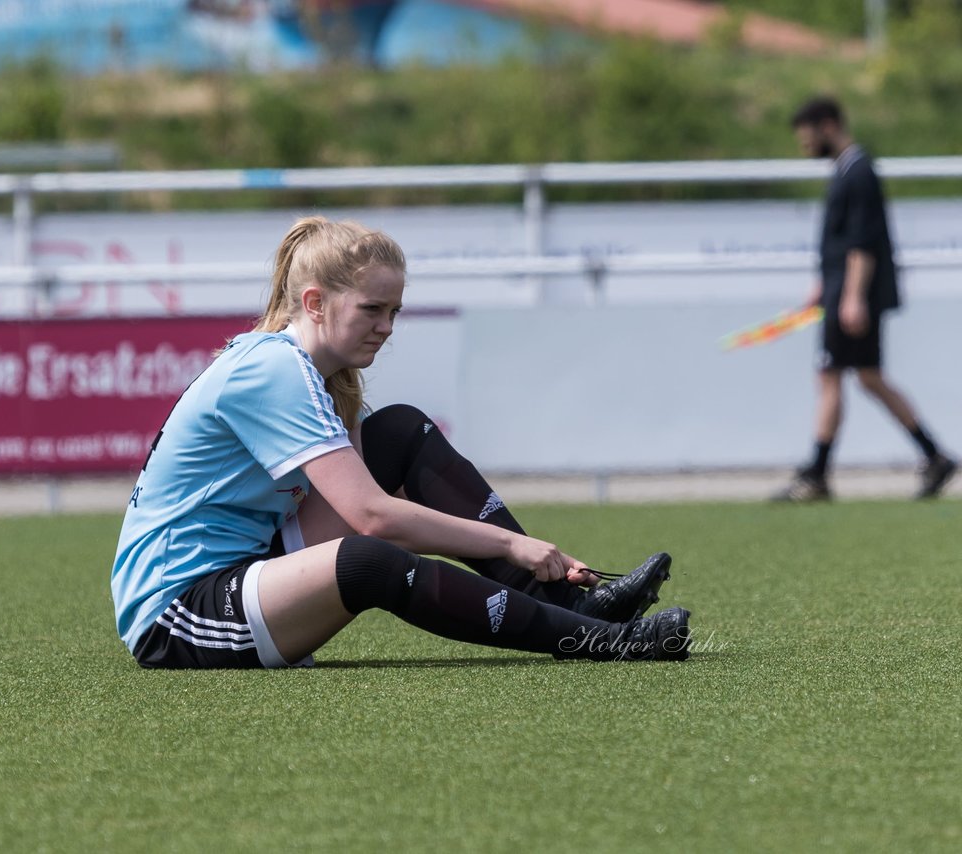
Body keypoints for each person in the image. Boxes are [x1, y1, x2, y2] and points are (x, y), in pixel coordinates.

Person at [111, 216, 692, 670]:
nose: (387, 326)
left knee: (402, 430)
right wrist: (515, 546)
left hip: (249, 564)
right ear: (314, 303)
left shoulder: (321, 376)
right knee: (369, 562)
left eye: (394, 310)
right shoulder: (272, 370)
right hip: (178, 613)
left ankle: (576, 608)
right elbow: (371, 517)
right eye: (371, 309)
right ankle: (594, 638)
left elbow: (364, 497)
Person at [774, 96, 956, 502]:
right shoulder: (848, 169)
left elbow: (862, 242)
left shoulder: (858, 172)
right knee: (867, 377)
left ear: (827, 125)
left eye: (807, 137)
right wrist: (824, 286)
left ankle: (818, 474)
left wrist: (852, 295)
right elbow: (843, 244)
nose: (805, 147)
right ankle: (935, 455)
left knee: (831, 375)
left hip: (853, 296)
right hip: (842, 292)